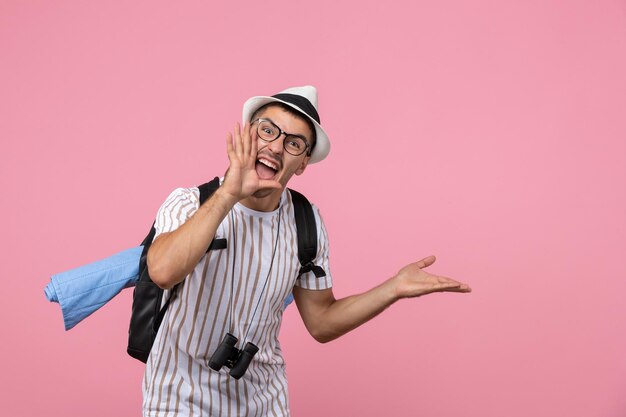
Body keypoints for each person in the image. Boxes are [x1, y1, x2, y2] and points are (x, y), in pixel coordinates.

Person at [142, 86, 471, 417]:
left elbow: (321, 321)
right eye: (268, 130)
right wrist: (229, 193)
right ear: (248, 134)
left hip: (262, 401)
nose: (275, 147)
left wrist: (393, 288)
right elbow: (163, 272)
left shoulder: (306, 222)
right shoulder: (188, 202)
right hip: (178, 396)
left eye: (294, 143)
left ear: (302, 163)